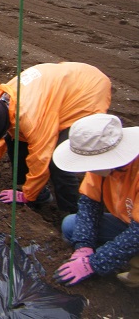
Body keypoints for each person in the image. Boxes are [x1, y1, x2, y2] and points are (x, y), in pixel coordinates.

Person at [0, 62, 112, 213]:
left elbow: (42, 156)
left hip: (87, 91)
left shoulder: (31, 118)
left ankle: (72, 214)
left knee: (59, 161)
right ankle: (36, 191)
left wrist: (28, 195)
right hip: (61, 85)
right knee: (15, 138)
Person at [51, 113, 139, 288]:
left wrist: (95, 263)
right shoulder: (102, 164)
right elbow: (89, 203)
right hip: (130, 220)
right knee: (71, 226)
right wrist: (83, 246)